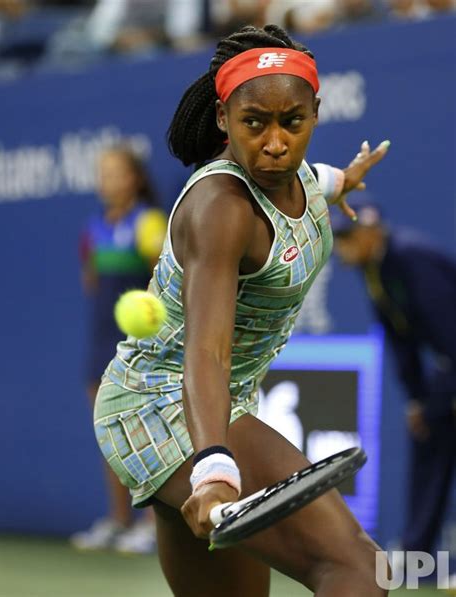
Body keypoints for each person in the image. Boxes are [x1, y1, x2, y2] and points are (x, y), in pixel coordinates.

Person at [93, 24, 390, 595]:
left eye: (293, 123)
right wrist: (214, 468)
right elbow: (207, 353)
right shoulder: (220, 209)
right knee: (358, 569)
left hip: (207, 402)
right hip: (163, 407)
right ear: (225, 119)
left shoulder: (293, 172)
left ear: (315, 114)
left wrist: (342, 179)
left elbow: (309, 179)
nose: (275, 142)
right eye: (255, 123)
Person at [332, 195, 456, 558]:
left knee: (435, 423)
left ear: (372, 232)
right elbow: (402, 343)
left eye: (348, 237)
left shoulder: (409, 258)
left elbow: (451, 336)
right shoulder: (374, 270)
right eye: (339, 239)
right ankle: (418, 556)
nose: (342, 249)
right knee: (428, 431)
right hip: (447, 367)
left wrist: (438, 399)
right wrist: (419, 401)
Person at [72, 144, 167, 552]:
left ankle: (153, 524)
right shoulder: (92, 229)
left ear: (135, 179)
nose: (106, 180)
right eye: (102, 172)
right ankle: (118, 521)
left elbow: (164, 280)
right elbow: (91, 282)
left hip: (140, 346)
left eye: (115, 172)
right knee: (108, 434)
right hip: (99, 341)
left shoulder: (149, 223)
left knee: (147, 435)